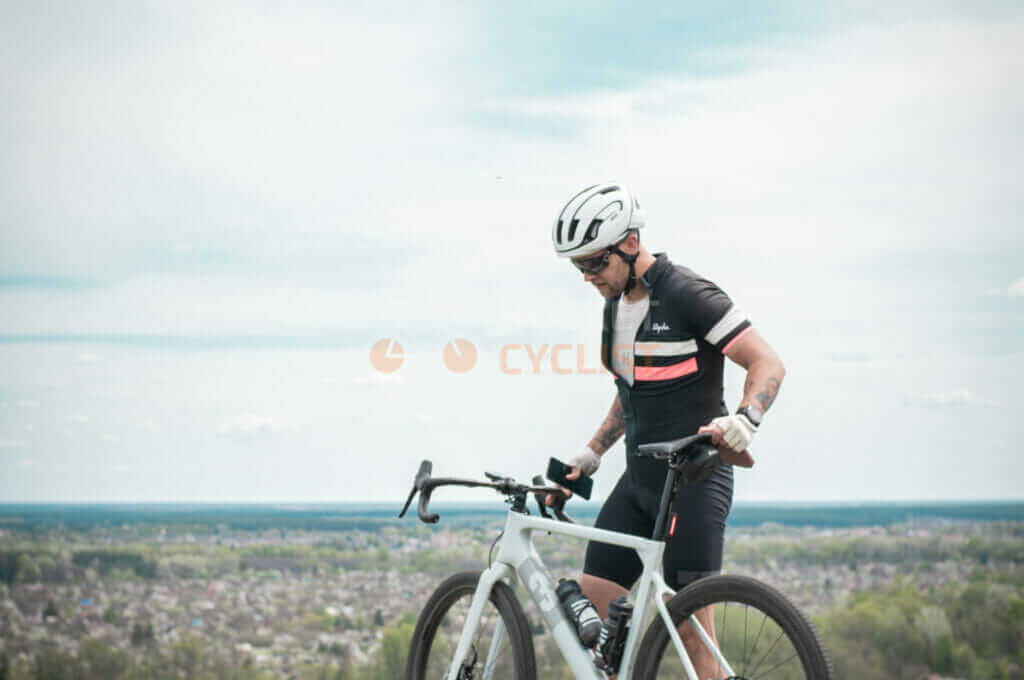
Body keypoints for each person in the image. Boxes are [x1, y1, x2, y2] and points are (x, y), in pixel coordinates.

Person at [549, 182, 785, 676]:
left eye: (595, 262)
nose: (588, 276)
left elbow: (767, 362)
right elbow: (632, 391)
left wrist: (746, 419)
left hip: (694, 482)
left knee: (692, 630)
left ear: (630, 242)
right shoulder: (614, 307)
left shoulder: (687, 294)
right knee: (591, 617)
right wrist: (591, 453)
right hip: (639, 482)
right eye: (578, 266)